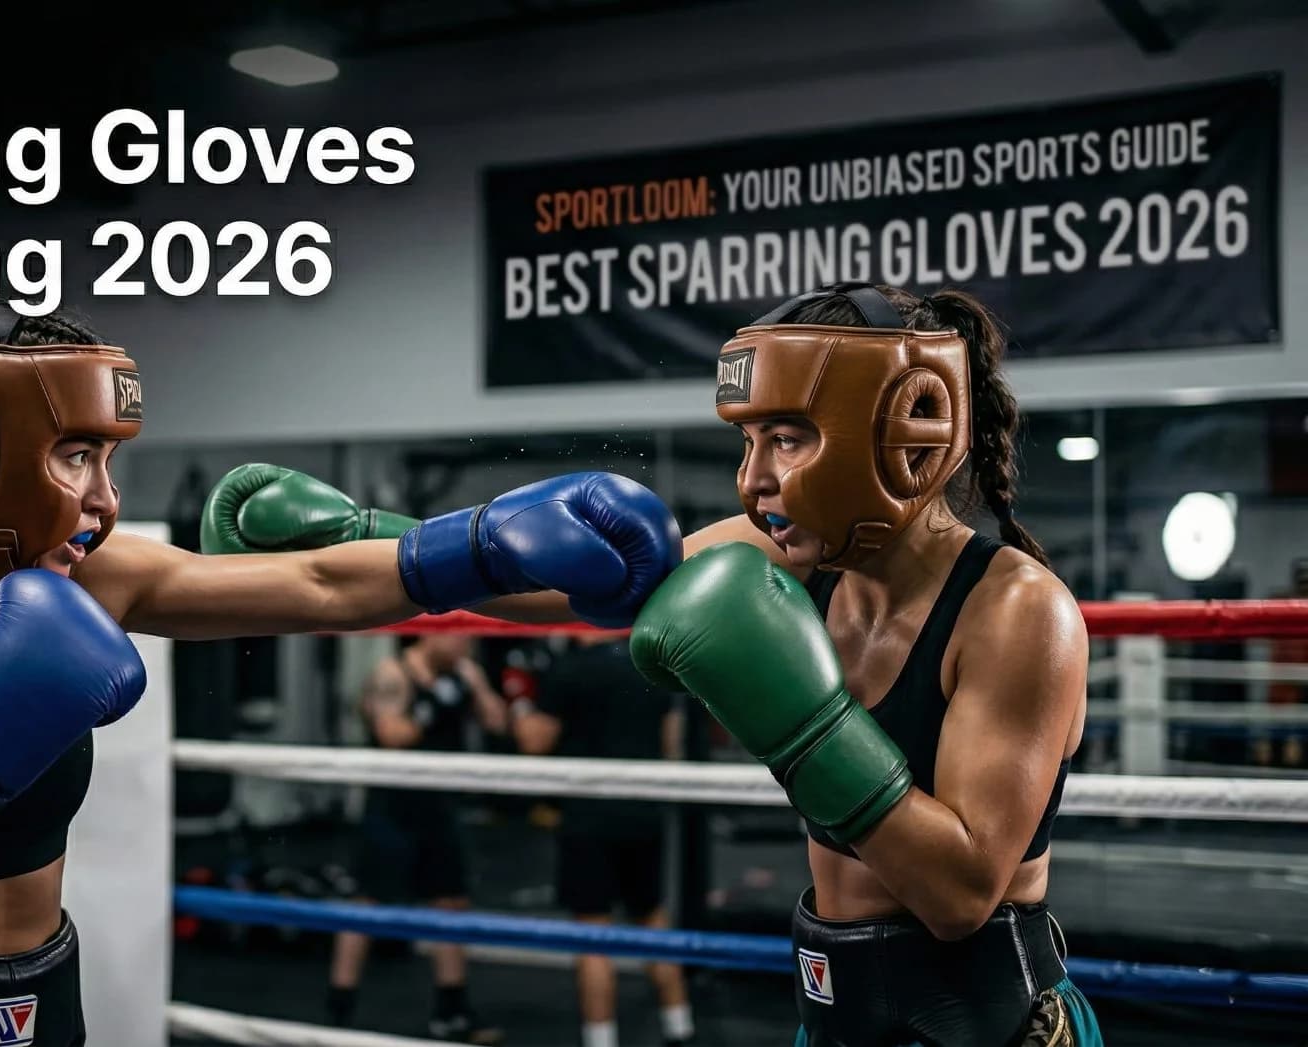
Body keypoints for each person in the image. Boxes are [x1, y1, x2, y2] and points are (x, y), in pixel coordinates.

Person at [0, 297, 683, 1046]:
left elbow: (316, 584)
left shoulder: (93, 581)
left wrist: (478, 545)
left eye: (107, 458)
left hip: (39, 1011)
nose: (104, 502)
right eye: (75, 455)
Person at [212, 281, 1103, 1045]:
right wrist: (375, 536)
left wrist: (807, 728)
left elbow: (959, 894)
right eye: (749, 441)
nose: (755, 480)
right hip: (837, 1017)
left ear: (902, 429)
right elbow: (571, 583)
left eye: (788, 438)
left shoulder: (1018, 612)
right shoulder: (786, 557)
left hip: (991, 1027)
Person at [512, 633, 693, 1047]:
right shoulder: (652, 667)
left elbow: (533, 741)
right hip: (643, 811)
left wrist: (520, 698)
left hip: (588, 817)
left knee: (593, 932)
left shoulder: (570, 669)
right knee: (651, 917)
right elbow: (671, 742)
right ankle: (680, 1027)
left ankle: (600, 1039)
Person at [326, 633, 508, 1044]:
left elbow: (497, 722)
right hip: (392, 807)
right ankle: (339, 1007)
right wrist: (433, 705)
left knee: (450, 902)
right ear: (431, 631)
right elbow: (391, 735)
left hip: (440, 807)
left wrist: (475, 687)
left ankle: (452, 1011)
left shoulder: (463, 671)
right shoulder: (394, 672)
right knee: (367, 904)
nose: (465, 646)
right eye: (458, 637)